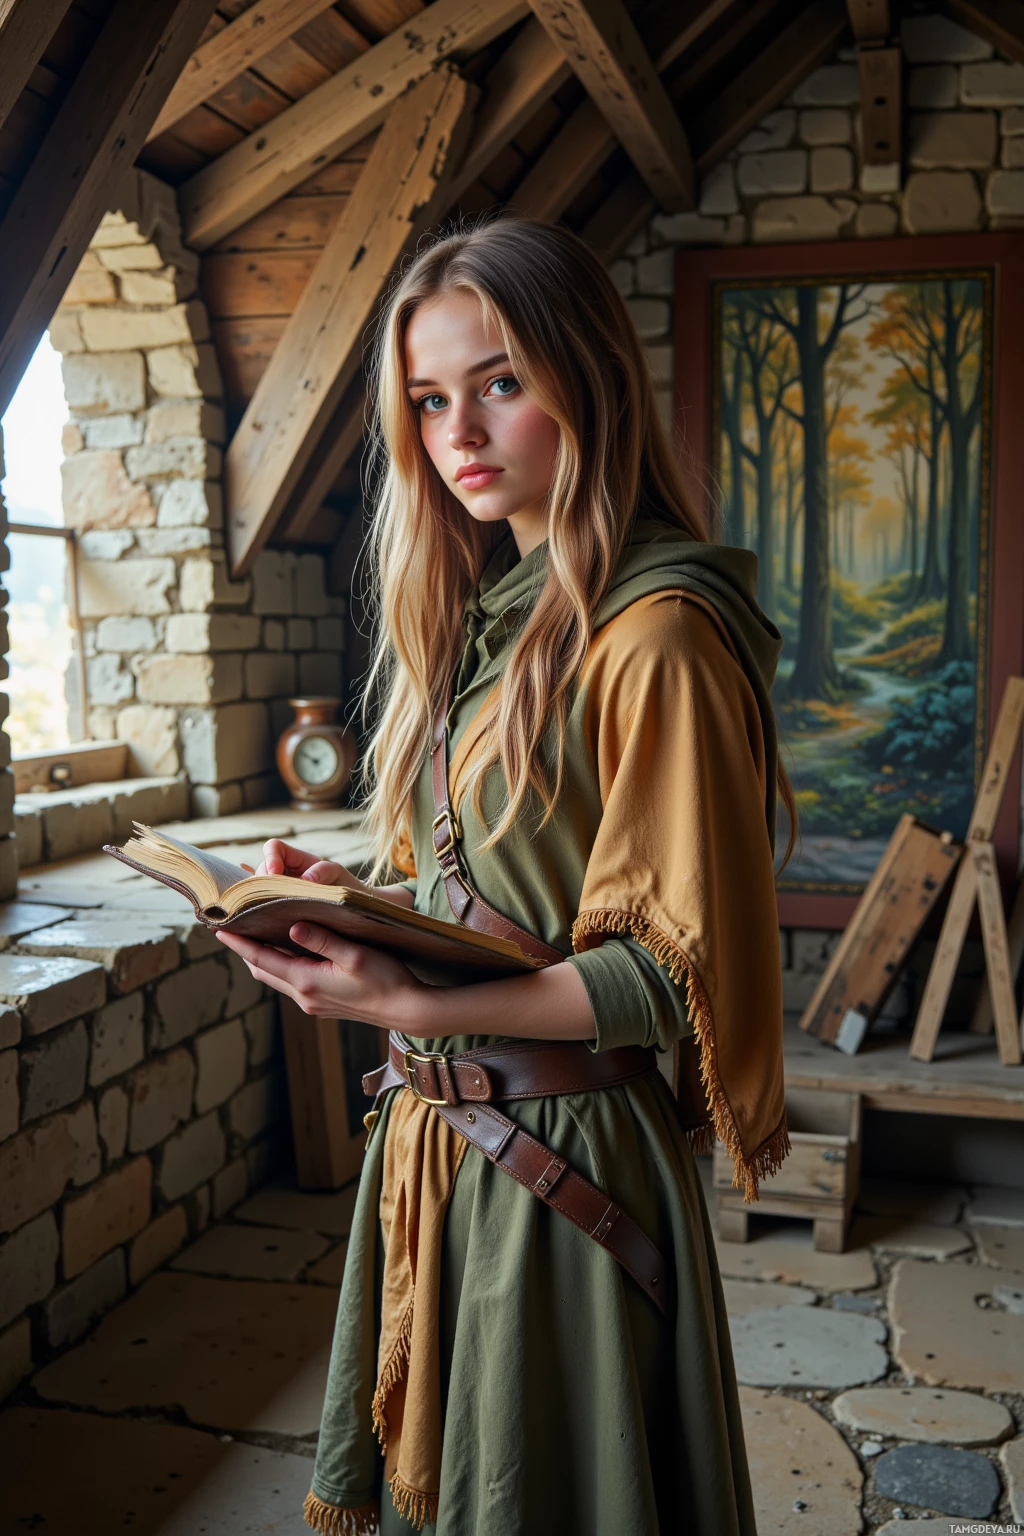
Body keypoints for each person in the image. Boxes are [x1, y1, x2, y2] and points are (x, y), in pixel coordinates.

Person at [214, 215, 794, 1536]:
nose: (459, 434)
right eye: (428, 401)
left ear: (586, 376)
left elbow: (662, 972)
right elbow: (505, 894)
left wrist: (411, 1010)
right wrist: (350, 901)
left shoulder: (657, 640)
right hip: (439, 1145)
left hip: (564, 1164)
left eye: (499, 383)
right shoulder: (488, 617)